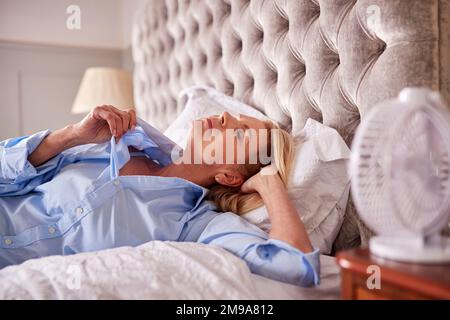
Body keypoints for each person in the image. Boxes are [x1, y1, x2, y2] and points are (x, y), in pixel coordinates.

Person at [0, 105, 319, 287]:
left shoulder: (195, 225)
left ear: (229, 176)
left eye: (239, 132)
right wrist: (70, 135)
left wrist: (270, 183)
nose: (225, 117)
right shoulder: (113, 143)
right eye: (235, 115)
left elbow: (295, 266)